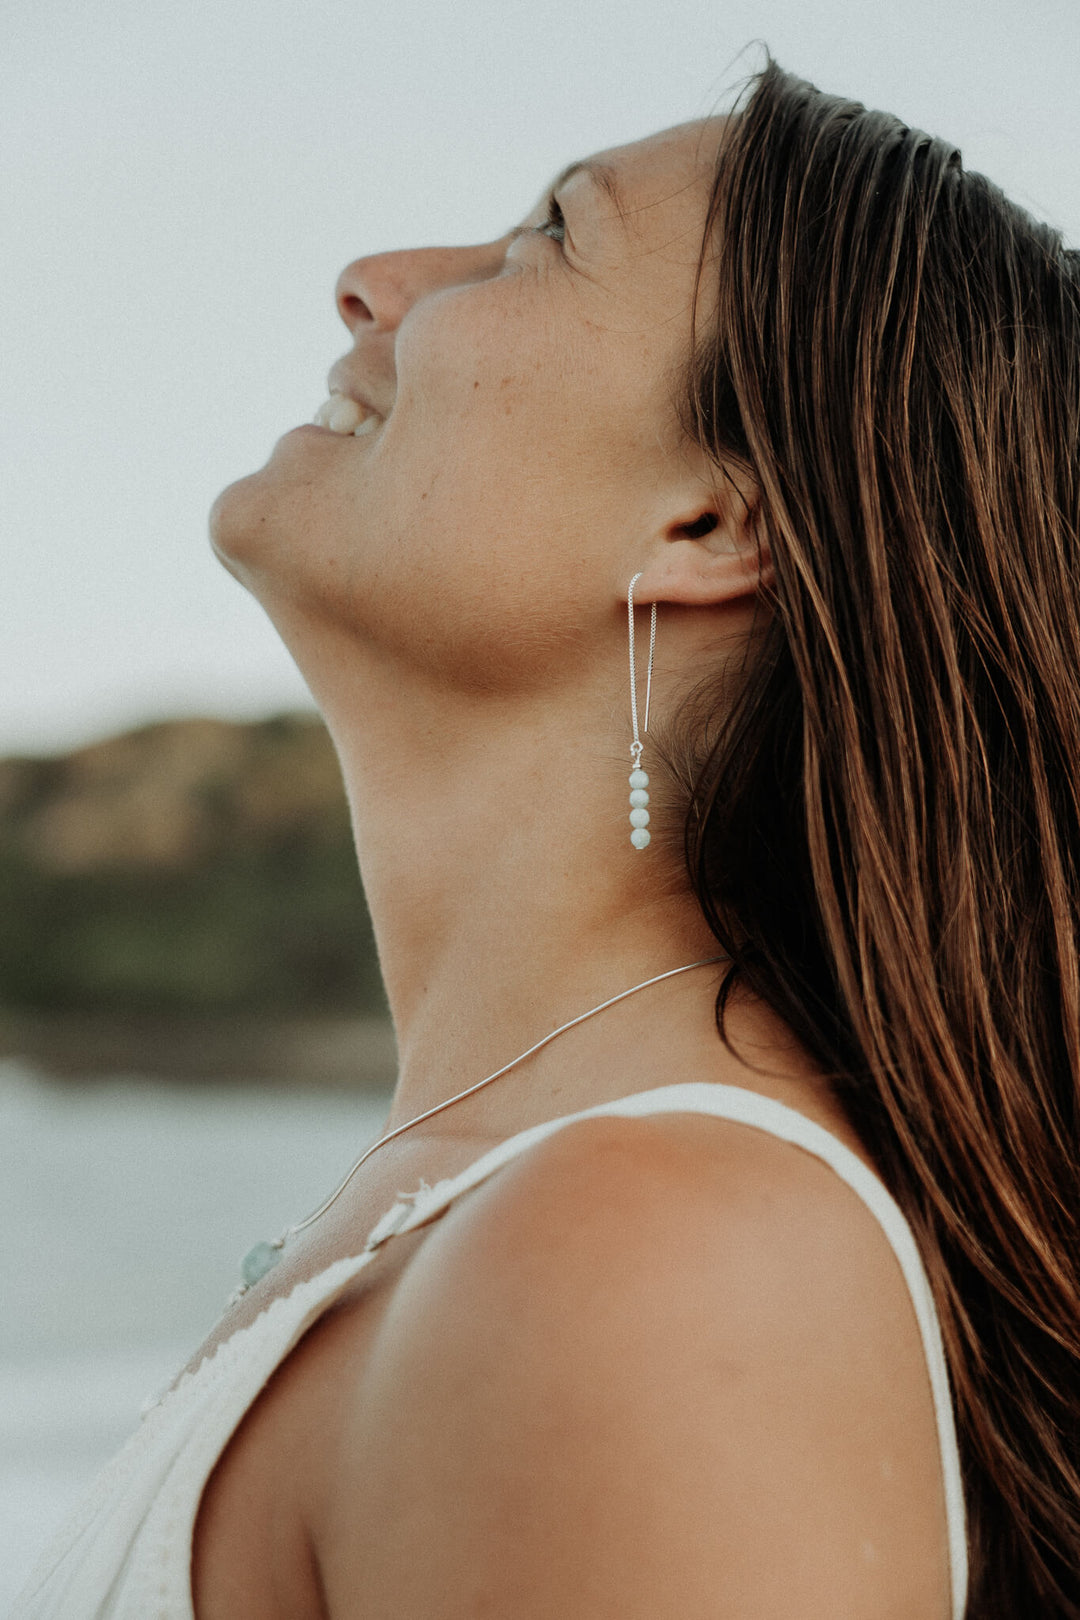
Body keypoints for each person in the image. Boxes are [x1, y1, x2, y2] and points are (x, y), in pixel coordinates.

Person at [15, 56, 1080, 1620]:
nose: (372, 285)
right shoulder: (521, 1209)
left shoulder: (651, 1262)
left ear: (712, 524)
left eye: (542, 241)